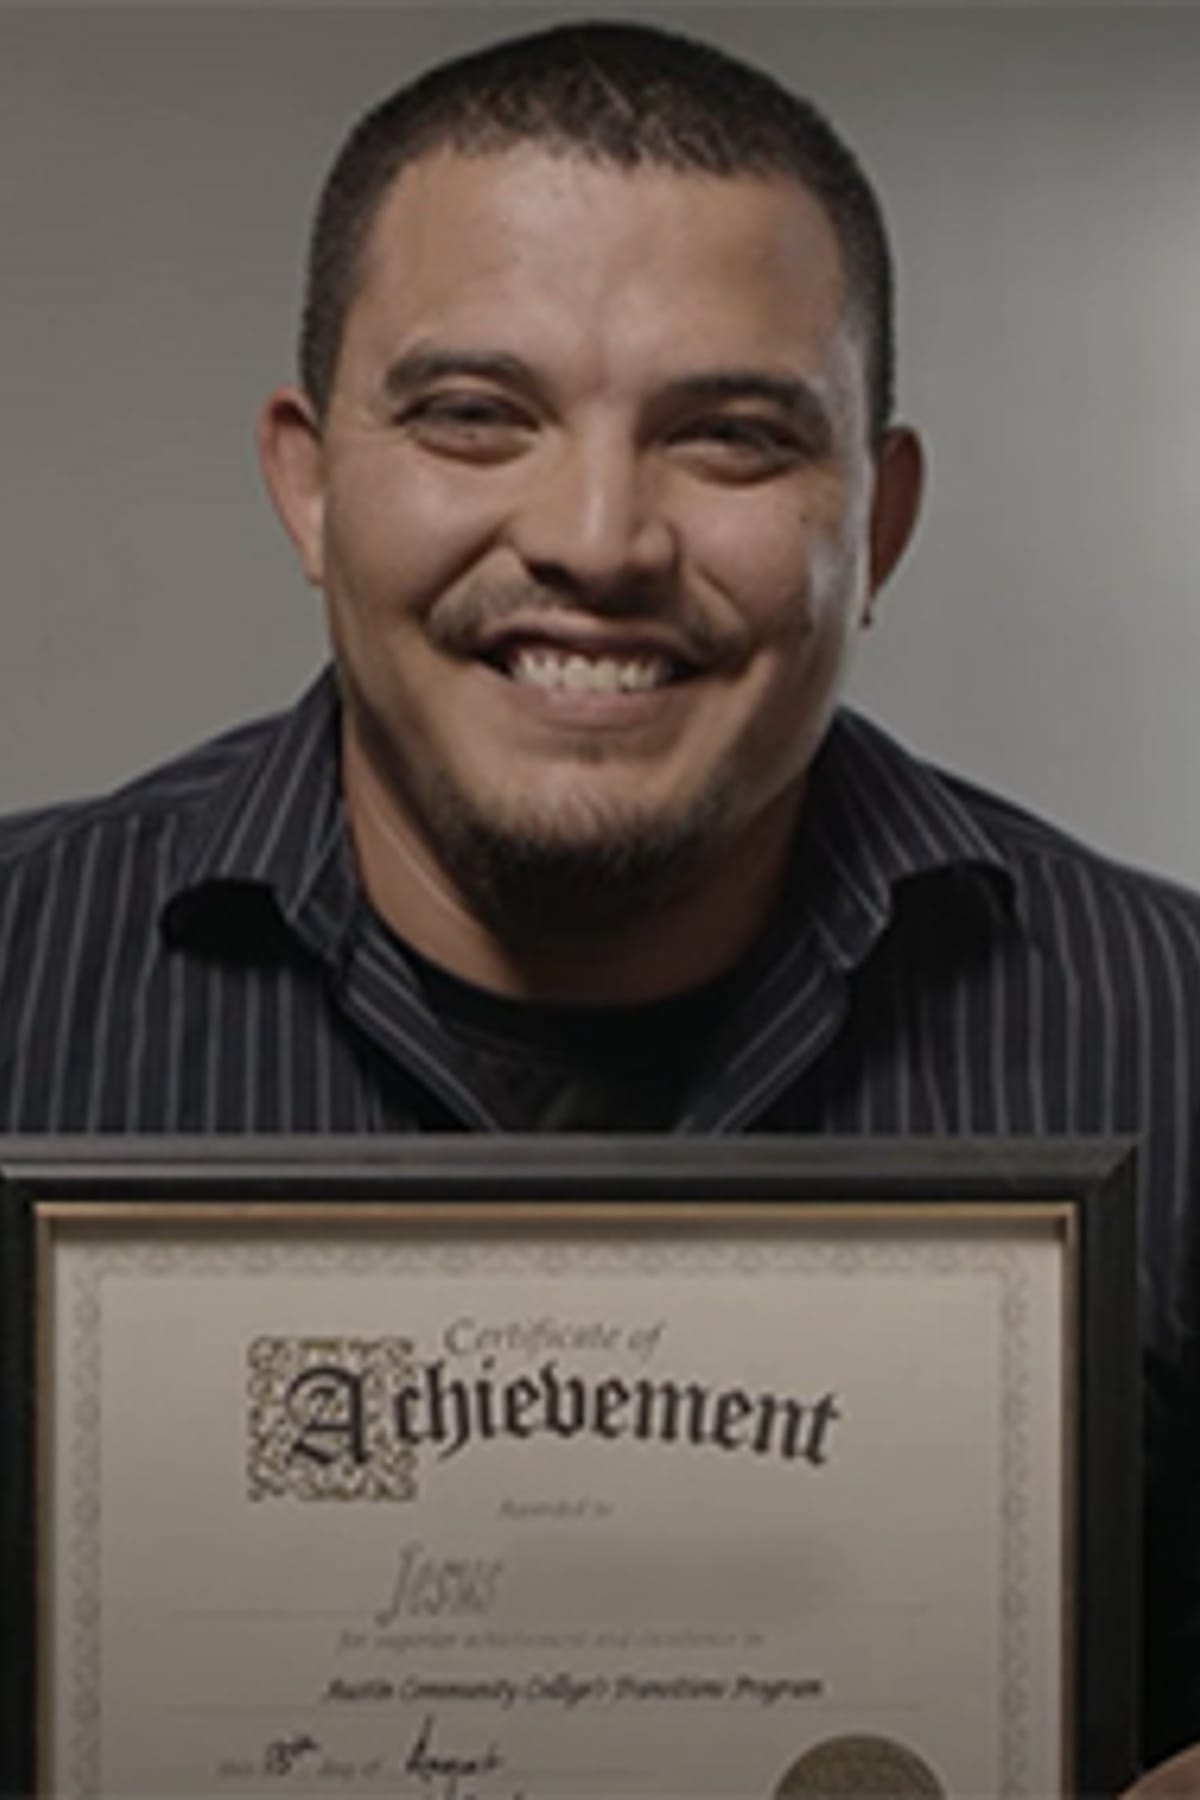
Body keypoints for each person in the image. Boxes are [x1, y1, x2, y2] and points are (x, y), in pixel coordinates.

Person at [1, 18, 1198, 1787]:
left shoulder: (1177, 1033)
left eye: (727, 438)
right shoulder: (19, 978)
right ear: (311, 481)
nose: (597, 537)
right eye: (477, 416)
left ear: (876, 527)